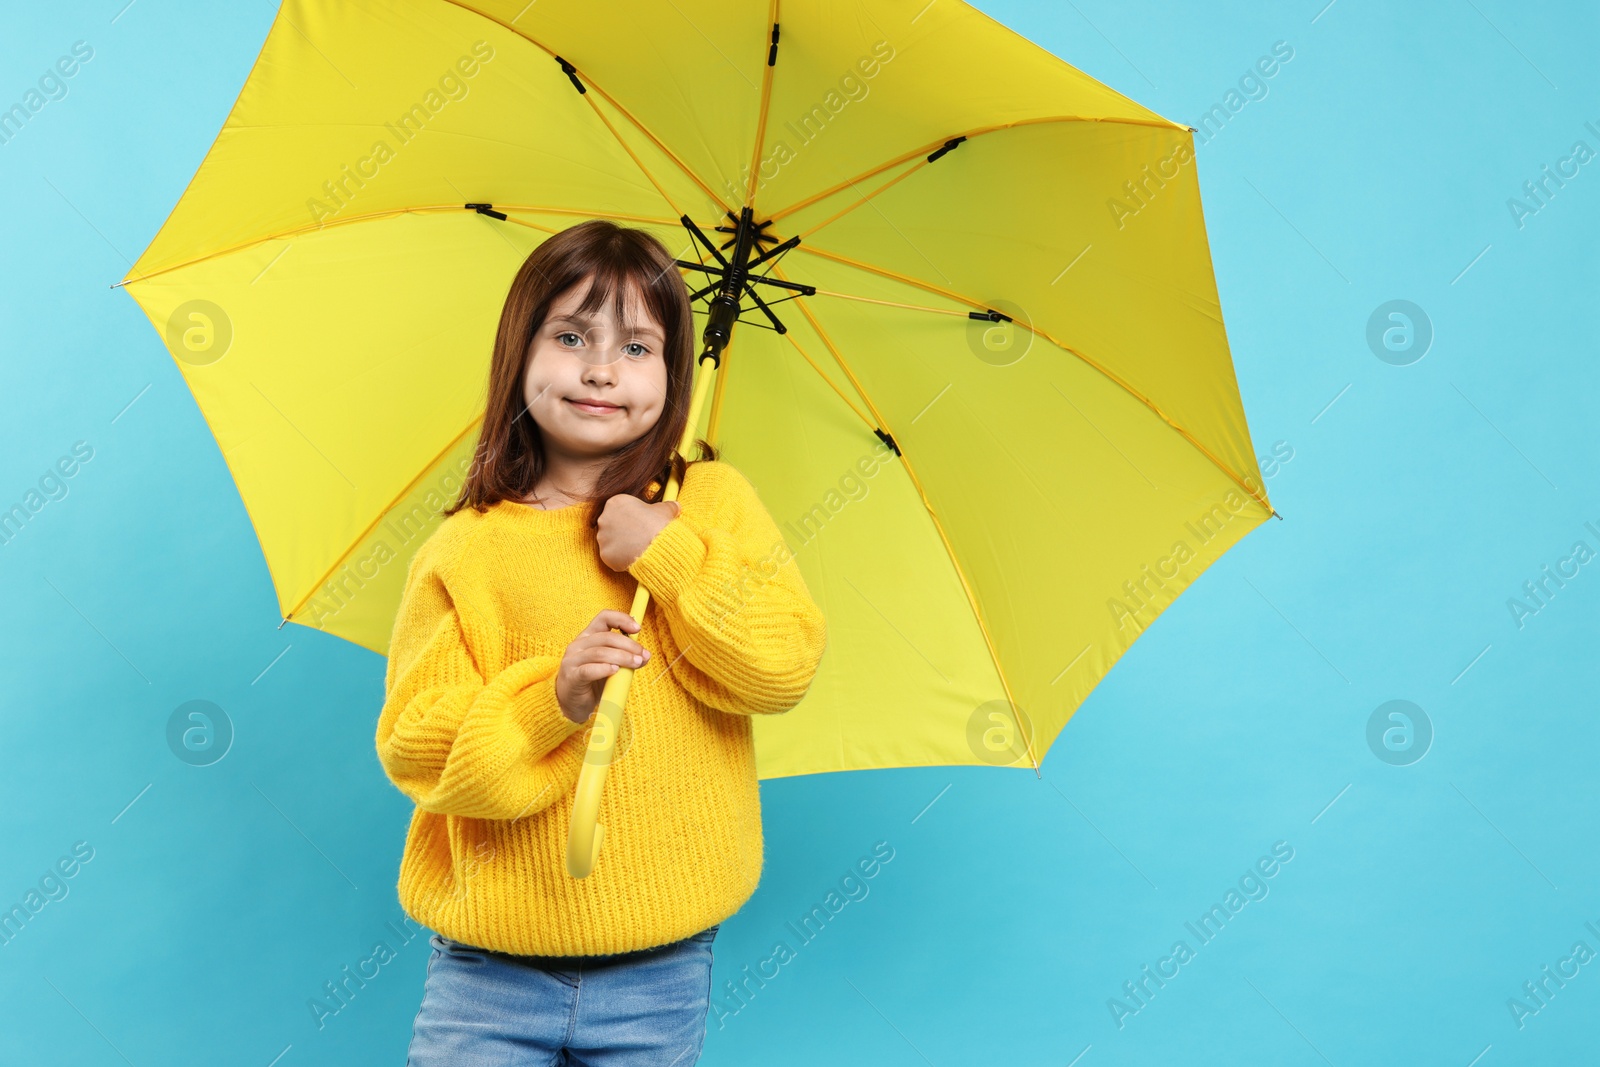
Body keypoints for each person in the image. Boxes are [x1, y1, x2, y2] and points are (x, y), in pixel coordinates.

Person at [374, 218, 828, 1065]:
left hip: (661, 968)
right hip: (487, 968)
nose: (599, 369)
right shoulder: (466, 550)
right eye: (571, 336)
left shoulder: (710, 506)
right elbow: (414, 743)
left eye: (637, 347)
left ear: (674, 372)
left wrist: (671, 554)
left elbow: (783, 665)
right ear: (520, 354)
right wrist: (554, 700)